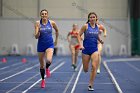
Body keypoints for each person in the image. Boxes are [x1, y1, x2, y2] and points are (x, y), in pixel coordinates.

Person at [78, 12, 103, 91]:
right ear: (88, 19)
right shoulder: (85, 26)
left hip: (94, 49)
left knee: (94, 66)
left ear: (96, 18)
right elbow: (79, 35)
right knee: (85, 69)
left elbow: (96, 35)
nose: (92, 18)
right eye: (90, 17)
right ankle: (85, 67)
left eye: (93, 17)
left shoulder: (98, 27)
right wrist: (80, 45)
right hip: (85, 50)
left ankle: (90, 84)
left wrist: (100, 40)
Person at [34, 9, 59, 88]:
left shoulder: (52, 23)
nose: (44, 15)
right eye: (42, 14)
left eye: (45, 14)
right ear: (40, 15)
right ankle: (43, 80)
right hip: (41, 45)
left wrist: (56, 40)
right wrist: (38, 31)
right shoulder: (38, 23)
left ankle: (47, 68)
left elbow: (57, 31)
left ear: (47, 15)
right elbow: (36, 37)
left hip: (49, 44)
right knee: (41, 65)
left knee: (48, 60)